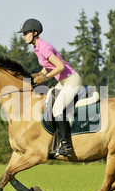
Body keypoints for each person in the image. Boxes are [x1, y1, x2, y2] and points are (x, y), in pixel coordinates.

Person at [18, 18, 82, 157]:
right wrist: (38, 75)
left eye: (25, 33)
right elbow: (47, 66)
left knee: (57, 109)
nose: (23, 36)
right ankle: (54, 142)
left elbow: (60, 66)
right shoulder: (37, 47)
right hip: (63, 81)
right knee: (48, 103)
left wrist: (46, 78)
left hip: (71, 80)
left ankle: (66, 146)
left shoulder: (43, 47)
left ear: (35, 33)